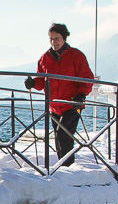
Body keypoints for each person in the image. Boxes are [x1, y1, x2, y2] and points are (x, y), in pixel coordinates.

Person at [25, 23, 94, 167]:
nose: (53, 42)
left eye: (57, 38)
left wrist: (82, 94)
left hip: (72, 104)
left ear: (64, 38)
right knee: (58, 137)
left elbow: (87, 77)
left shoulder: (76, 55)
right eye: (51, 39)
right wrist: (32, 83)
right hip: (54, 105)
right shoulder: (45, 58)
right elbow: (41, 81)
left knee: (64, 136)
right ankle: (64, 168)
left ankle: (67, 168)